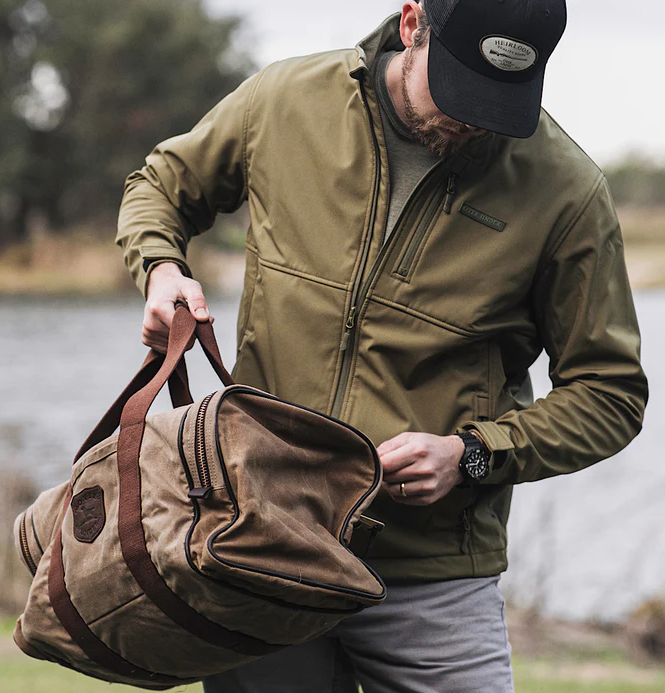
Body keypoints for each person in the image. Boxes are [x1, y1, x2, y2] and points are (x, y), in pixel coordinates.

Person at [115, 1, 648, 691]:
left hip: (433, 577)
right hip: (259, 543)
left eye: (501, 99)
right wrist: (161, 267)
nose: (474, 120)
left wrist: (472, 453)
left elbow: (610, 393)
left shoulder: (567, 193)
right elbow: (160, 184)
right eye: (459, 89)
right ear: (411, 24)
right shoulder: (285, 100)